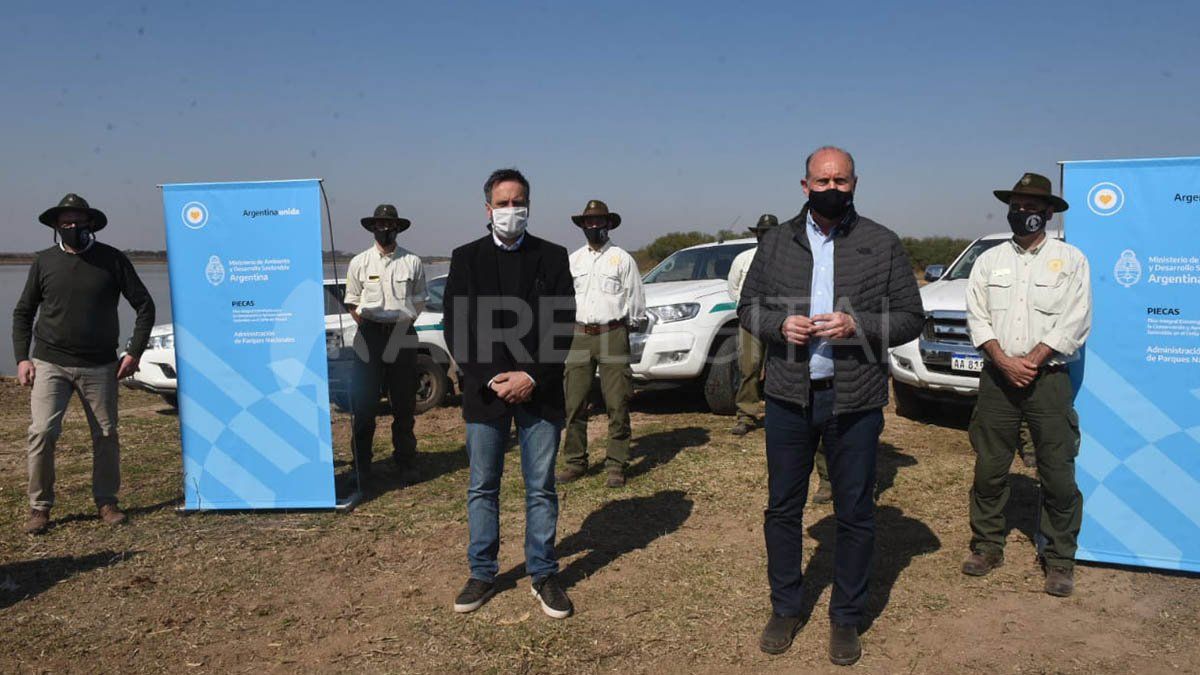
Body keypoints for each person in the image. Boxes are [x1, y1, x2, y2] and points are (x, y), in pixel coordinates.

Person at [737, 147, 923, 664]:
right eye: (823, 180)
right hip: (789, 399)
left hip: (855, 399)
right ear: (804, 185)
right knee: (783, 508)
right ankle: (786, 606)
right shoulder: (776, 243)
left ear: (856, 183)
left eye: (841, 180)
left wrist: (858, 325)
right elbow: (747, 306)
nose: (832, 188)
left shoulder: (880, 243)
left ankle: (846, 617)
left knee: (856, 512)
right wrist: (779, 325)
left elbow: (911, 317)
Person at [443, 168, 577, 619]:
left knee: (540, 488)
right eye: (502, 203)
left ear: (529, 206)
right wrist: (492, 378)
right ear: (488, 209)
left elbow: (561, 326)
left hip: (540, 392)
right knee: (483, 486)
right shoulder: (465, 259)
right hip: (486, 393)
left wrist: (530, 376)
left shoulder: (553, 257)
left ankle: (543, 573)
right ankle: (482, 572)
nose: (510, 210)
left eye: (517, 201)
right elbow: (457, 329)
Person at [961, 172, 1091, 598]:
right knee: (990, 468)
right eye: (1016, 205)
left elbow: (1076, 320)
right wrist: (1002, 359)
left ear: (1049, 213)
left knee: (1056, 471)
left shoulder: (1071, 260)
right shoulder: (989, 261)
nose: (1023, 213)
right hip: (998, 379)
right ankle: (987, 545)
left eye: (1032, 207)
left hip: (1048, 379)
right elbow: (977, 317)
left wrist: (1031, 361)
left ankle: (1058, 559)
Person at [12, 193, 155, 535]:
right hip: (50, 362)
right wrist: (21, 358)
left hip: (101, 365)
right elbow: (23, 313)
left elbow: (145, 306)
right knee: (42, 433)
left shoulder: (112, 260)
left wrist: (134, 351)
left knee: (105, 434)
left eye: (78, 222)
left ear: (91, 224)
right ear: (56, 228)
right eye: (65, 223)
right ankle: (39, 508)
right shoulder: (43, 262)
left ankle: (106, 501)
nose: (72, 228)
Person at [729, 215, 835, 505]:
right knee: (749, 368)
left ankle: (827, 478)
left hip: (794, 326)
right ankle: (746, 414)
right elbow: (736, 292)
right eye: (761, 232)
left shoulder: (796, 256)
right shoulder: (744, 259)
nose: (765, 236)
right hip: (755, 321)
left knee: (815, 396)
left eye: (769, 232)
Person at [557, 199, 645, 488]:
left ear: (609, 224)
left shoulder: (622, 259)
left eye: (599, 221)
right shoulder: (573, 260)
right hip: (579, 335)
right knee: (575, 402)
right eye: (589, 222)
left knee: (617, 402)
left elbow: (636, 303)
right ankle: (574, 462)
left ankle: (616, 464)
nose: (594, 226)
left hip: (613, 333)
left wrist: (623, 332)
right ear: (582, 226)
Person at [341, 204, 427, 486]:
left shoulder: (412, 261)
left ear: (398, 228)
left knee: (403, 404)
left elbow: (419, 300)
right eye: (380, 224)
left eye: (390, 225)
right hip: (370, 337)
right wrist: (371, 327)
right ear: (372, 227)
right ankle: (361, 465)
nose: (385, 229)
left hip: (402, 334)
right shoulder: (359, 262)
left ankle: (406, 463)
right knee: (364, 406)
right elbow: (353, 301)